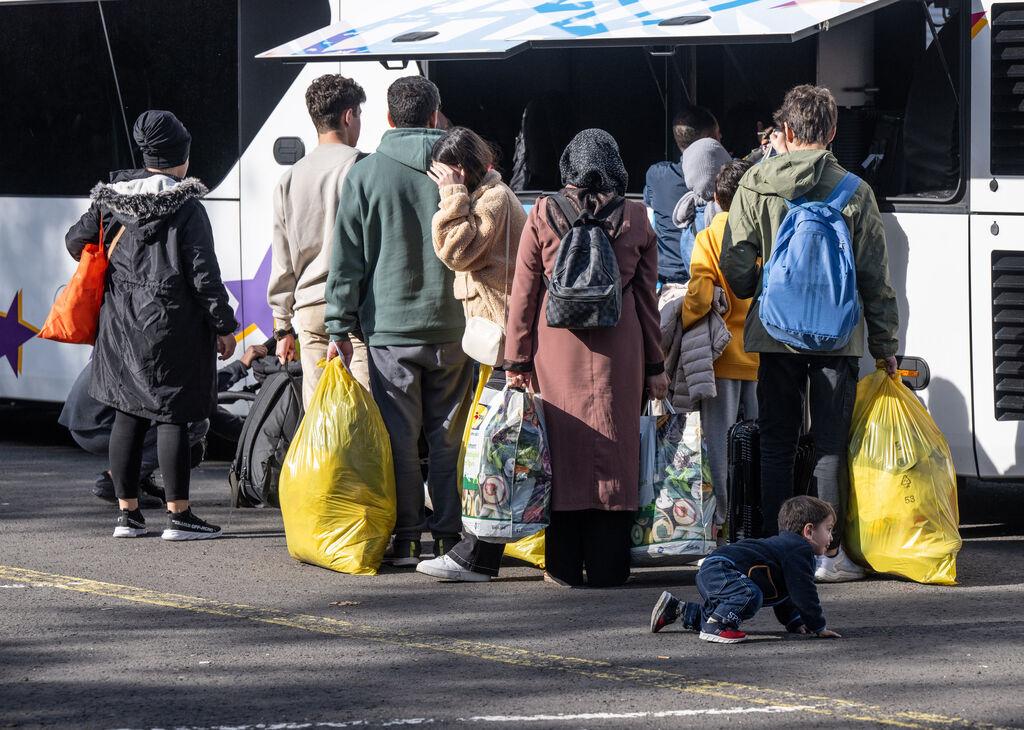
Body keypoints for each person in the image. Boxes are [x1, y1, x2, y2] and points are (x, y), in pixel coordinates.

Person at [720, 85, 900, 582]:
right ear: (833, 133)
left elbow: (734, 265)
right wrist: (886, 347)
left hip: (776, 334)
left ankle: (780, 550)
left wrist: (765, 285)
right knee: (828, 445)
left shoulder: (755, 183)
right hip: (838, 338)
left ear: (789, 131)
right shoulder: (855, 190)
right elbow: (874, 280)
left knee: (776, 442)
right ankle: (827, 555)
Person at [503, 129, 667, 588]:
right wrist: (656, 368)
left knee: (562, 451)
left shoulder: (543, 212)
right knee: (616, 450)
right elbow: (647, 304)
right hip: (622, 352)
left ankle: (562, 566)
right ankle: (610, 565)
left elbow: (524, 295)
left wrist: (516, 363)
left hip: (556, 352)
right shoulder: (635, 217)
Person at [65, 110, 238, 541]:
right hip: (173, 326)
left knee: (128, 413)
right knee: (172, 417)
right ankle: (179, 516)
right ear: (180, 157)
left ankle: (128, 515)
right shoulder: (187, 206)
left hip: (121, 324)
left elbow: (74, 241)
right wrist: (223, 324)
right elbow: (203, 274)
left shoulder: (111, 198)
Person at [326, 76, 474, 566]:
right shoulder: (462, 168)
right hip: (455, 327)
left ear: (390, 119)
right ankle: (451, 537)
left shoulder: (366, 175)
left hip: (389, 331)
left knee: (400, 441)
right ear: (436, 116)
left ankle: (408, 536)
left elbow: (347, 259)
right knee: (448, 438)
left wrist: (338, 327)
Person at [415, 126, 528, 582]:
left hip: (507, 345)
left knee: (495, 451)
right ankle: (478, 553)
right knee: (494, 449)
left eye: (444, 174)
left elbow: (455, 250)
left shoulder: (493, 199)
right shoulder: (490, 194)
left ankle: (476, 556)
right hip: (500, 342)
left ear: (459, 169)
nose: (440, 182)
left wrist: (451, 197)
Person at [268, 74, 370, 405]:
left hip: (310, 312)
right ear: (349, 116)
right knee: (364, 414)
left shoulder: (289, 178)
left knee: (320, 415)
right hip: (355, 310)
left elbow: (282, 263)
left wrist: (283, 327)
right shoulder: (362, 168)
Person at [680, 159, 758, 536]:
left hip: (723, 358)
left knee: (720, 444)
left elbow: (698, 297)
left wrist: (679, 315)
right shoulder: (764, 234)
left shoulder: (709, 237)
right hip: (761, 356)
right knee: (758, 442)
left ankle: (724, 522)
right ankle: (756, 519)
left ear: (716, 197)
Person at [649, 495, 843, 644]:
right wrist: (818, 626)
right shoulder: (799, 549)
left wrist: (794, 622)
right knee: (750, 594)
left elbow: (788, 593)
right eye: (828, 529)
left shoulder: (787, 550)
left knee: (720, 610)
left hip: (716, 567)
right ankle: (717, 626)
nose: (831, 537)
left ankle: (676, 609)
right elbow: (803, 592)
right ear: (809, 531)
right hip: (723, 568)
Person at [643, 107, 720, 287]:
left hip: (668, 280)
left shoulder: (657, 175)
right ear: (711, 139)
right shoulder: (725, 178)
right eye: (718, 134)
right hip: (709, 280)